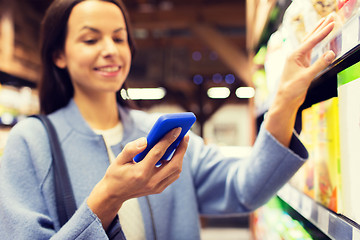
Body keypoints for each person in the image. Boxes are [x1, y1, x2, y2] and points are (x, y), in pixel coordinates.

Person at [0, 0, 336, 239]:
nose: (111, 49)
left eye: (119, 38)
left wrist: (282, 105)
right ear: (58, 55)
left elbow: (244, 187)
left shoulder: (161, 134)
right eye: (91, 39)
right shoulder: (30, 142)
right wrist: (107, 199)